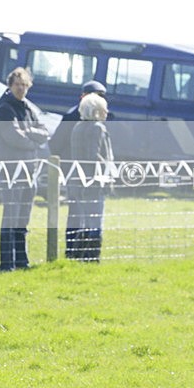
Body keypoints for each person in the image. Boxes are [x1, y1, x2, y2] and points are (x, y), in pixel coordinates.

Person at [0, 67, 49, 271]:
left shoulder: (28, 108)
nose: (21, 89)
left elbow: (44, 132)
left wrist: (29, 132)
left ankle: (22, 260)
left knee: (23, 218)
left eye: (25, 85)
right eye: (18, 85)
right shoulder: (5, 109)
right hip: (11, 171)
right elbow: (13, 137)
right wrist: (33, 141)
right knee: (11, 216)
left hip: (29, 170)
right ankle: (7, 262)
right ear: (10, 85)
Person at [48, 80, 109, 258]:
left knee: (82, 216)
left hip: (78, 174)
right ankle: (79, 253)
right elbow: (56, 144)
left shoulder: (87, 121)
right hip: (78, 173)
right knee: (79, 217)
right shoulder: (73, 117)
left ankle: (79, 253)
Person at [69, 93, 113, 262]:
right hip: (94, 182)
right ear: (96, 110)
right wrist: (109, 170)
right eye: (104, 108)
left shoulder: (77, 127)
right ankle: (92, 258)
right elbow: (94, 156)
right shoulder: (98, 128)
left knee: (84, 221)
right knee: (95, 222)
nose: (106, 111)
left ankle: (77, 256)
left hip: (77, 181)